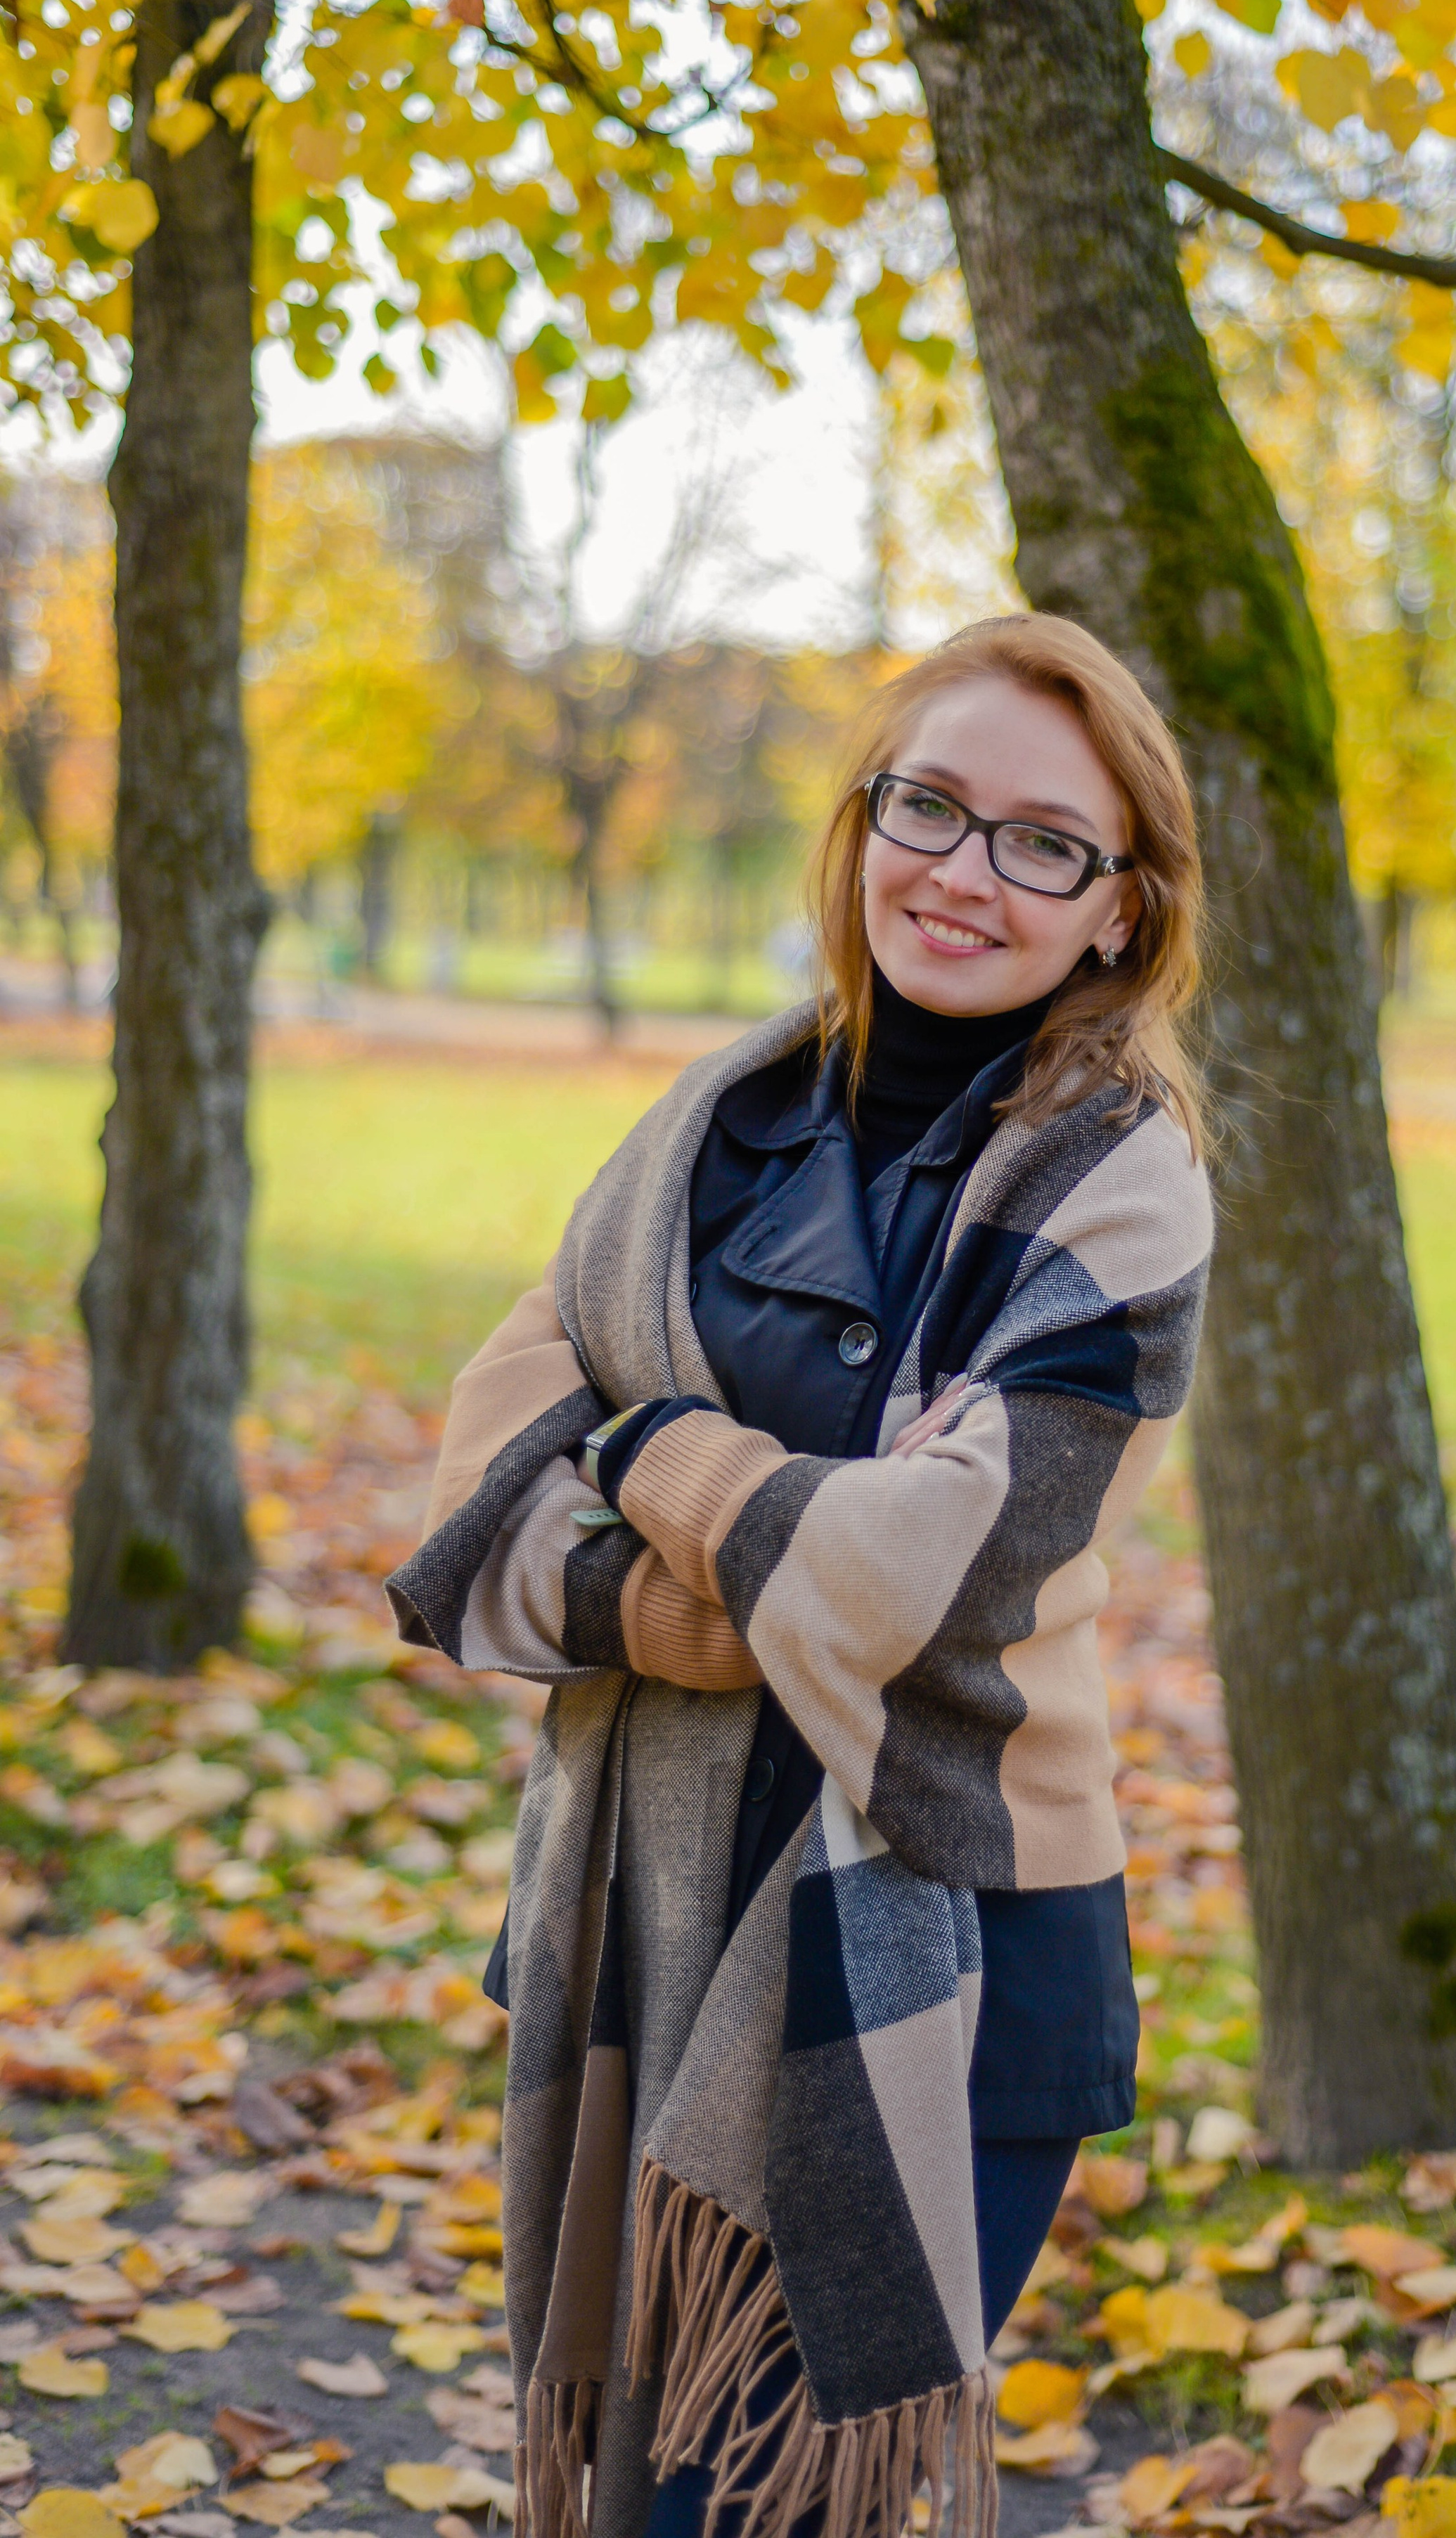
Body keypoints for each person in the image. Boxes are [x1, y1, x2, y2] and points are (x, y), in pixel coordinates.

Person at [388, 613, 1214, 2538]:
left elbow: (924, 1574)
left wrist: (641, 1446)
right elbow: (479, 1481)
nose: (965, 871)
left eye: (1045, 841)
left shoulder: (1124, 1182)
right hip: (649, 1903)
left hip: (944, 1942)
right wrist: (694, 1600)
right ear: (862, 825)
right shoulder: (708, 1131)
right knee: (631, 2490)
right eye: (930, 806)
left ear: (1121, 906)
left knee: (751, 2505)